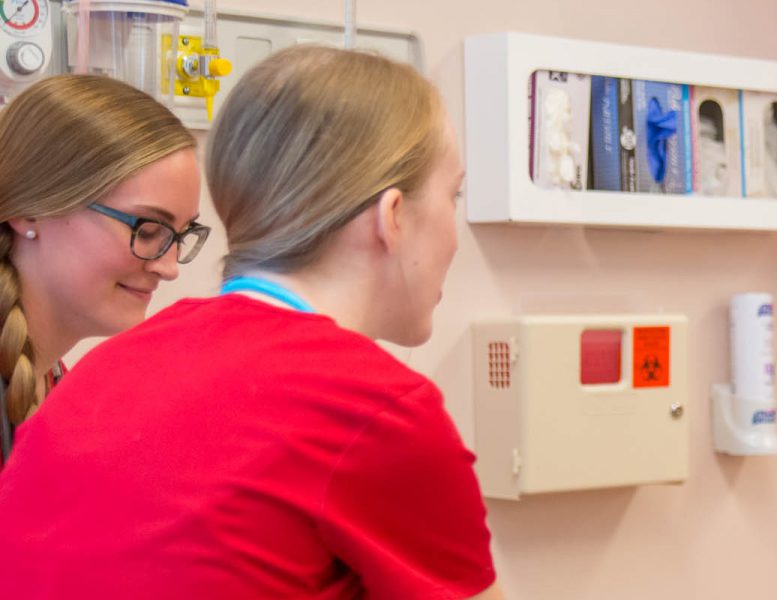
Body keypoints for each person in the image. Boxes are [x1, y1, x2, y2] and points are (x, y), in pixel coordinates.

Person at [0, 47, 503, 599]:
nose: (167, 267)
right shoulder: (377, 408)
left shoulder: (98, 376)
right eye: (453, 195)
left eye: (180, 235)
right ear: (393, 217)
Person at [0, 74, 201, 466]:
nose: (169, 267)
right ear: (30, 211)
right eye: (146, 229)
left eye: (183, 233)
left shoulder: (49, 380)